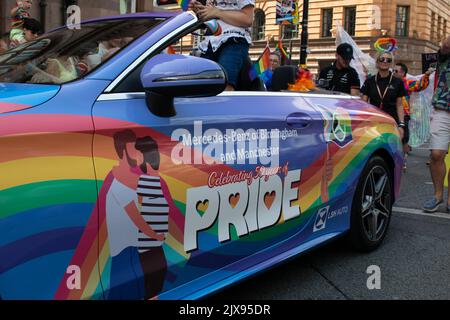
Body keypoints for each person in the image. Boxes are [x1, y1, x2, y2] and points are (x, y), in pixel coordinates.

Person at [106, 130, 165, 299]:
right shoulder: (120, 184)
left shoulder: (129, 179)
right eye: (134, 149)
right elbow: (136, 218)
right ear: (124, 151)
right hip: (125, 254)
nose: (138, 155)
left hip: (134, 252)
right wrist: (155, 235)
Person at [190, 0, 255, 91]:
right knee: (201, 86)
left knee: (224, 85)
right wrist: (202, 11)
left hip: (233, 41)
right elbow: (212, 18)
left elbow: (248, 19)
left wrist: (217, 12)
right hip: (210, 43)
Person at [422, 36, 450, 213]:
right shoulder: (445, 56)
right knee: (436, 154)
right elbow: (445, 47)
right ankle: (438, 195)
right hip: (442, 110)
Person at [393, 62, 433, 170]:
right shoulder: (390, 82)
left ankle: (403, 161)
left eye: (396, 71)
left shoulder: (407, 83)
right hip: (390, 113)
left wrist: (426, 75)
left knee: (404, 138)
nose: (393, 73)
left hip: (404, 114)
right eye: (393, 70)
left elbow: (420, 86)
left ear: (403, 73)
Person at [361, 52, 406, 139]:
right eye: (382, 59)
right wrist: (363, 122)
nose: (385, 62)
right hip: (374, 122)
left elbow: (399, 105)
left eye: (388, 60)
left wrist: (401, 124)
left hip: (392, 122)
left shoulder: (398, 82)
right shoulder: (369, 81)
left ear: (391, 63)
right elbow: (364, 104)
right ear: (377, 62)